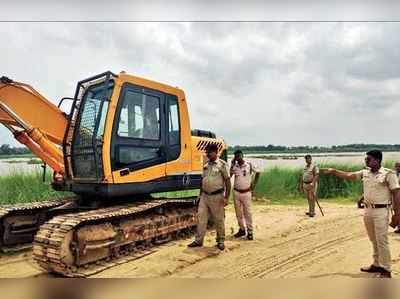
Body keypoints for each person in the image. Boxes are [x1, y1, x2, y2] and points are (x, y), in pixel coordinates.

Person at [321, 150, 400, 278]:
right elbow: (348, 175)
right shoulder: (364, 173)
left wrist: (397, 213)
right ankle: (376, 264)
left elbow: (396, 193)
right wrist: (334, 171)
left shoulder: (388, 174)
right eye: (366, 159)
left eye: (369, 159)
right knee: (373, 239)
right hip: (368, 210)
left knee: (382, 241)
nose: (366, 161)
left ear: (377, 160)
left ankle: (386, 269)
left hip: (381, 211)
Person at [188, 143, 231, 250]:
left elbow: (228, 181)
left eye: (209, 153)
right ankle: (199, 240)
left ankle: (220, 240)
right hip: (205, 196)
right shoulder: (206, 165)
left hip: (217, 196)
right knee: (201, 218)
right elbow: (202, 180)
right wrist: (199, 194)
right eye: (206, 153)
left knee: (218, 220)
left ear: (215, 152)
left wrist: (226, 197)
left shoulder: (222, 164)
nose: (207, 155)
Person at [230, 150, 260, 240]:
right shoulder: (234, 166)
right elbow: (229, 176)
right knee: (238, 213)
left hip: (246, 193)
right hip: (236, 193)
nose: (238, 158)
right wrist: (232, 163)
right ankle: (242, 229)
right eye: (236, 156)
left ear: (242, 156)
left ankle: (250, 232)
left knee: (248, 213)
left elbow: (258, 172)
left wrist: (254, 184)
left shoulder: (249, 165)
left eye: (239, 156)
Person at [394, 162, 400, 233]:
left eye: (398, 167)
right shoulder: (395, 174)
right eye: (396, 167)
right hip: (396, 195)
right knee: (397, 211)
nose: (397, 168)